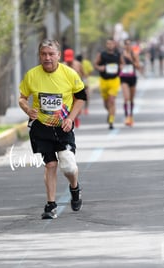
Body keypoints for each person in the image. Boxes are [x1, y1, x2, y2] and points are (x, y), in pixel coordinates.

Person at [19, 39, 86, 219]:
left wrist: (71, 119)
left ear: (58, 55)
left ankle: (75, 188)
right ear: (39, 56)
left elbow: (81, 97)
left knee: (69, 166)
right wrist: (27, 108)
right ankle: (51, 205)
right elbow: (22, 98)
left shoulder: (69, 74)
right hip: (42, 127)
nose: (47, 58)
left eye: (51, 54)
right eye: (43, 54)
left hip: (63, 126)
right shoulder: (32, 75)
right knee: (50, 164)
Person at [94, 38, 124, 129]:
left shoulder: (118, 55)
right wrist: (100, 68)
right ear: (106, 45)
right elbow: (95, 64)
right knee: (106, 104)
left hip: (114, 80)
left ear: (114, 45)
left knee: (112, 100)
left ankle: (111, 120)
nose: (110, 45)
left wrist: (120, 67)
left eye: (111, 44)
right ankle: (110, 112)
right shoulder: (102, 55)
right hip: (103, 80)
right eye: (108, 44)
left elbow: (122, 64)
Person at [119, 38, 141, 127]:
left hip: (132, 77)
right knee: (126, 98)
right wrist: (121, 66)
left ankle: (131, 115)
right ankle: (126, 116)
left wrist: (131, 60)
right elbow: (118, 65)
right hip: (124, 78)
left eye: (129, 44)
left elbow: (138, 66)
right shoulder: (121, 55)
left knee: (131, 99)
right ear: (124, 46)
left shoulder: (134, 54)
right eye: (126, 44)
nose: (128, 46)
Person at [63, 48, 84, 127]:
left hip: (77, 88)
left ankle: (76, 117)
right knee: (68, 106)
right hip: (66, 90)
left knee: (77, 105)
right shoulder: (62, 65)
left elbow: (83, 74)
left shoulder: (78, 64)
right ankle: (70, 119)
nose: (69, 61)